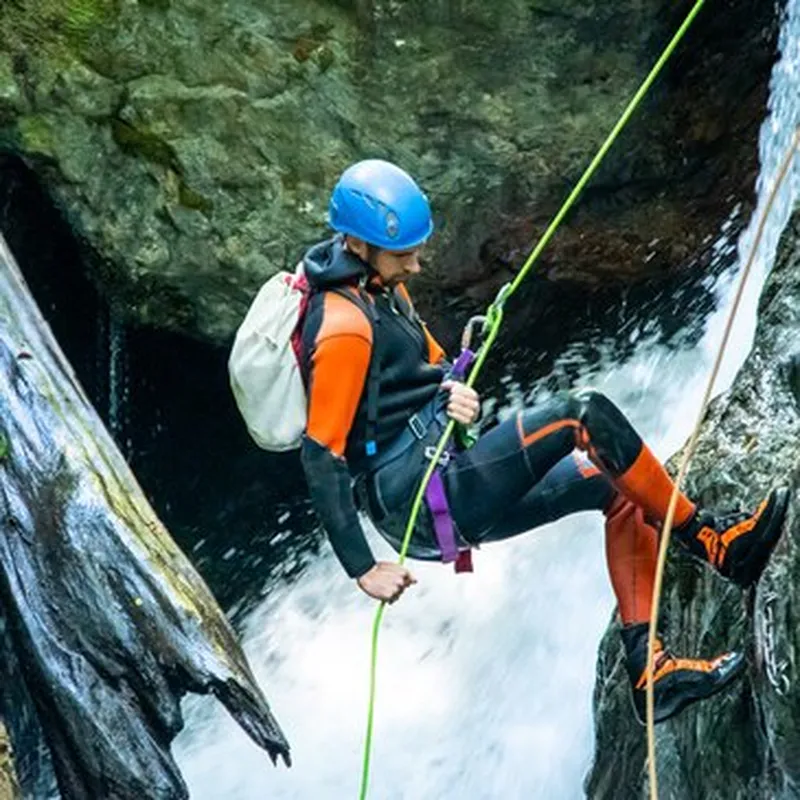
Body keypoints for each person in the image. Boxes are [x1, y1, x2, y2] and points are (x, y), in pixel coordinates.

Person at [298, 159, 789, 724]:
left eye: (417, 247)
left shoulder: (382, 289)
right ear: (359, 245)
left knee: (621, 488)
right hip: (420, 497)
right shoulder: (343, 327)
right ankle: (716, 543)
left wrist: (453, 392)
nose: (417, 261)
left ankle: (650, 670)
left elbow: (425, 369)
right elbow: (322, 455)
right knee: (583, 416)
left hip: (440, 464)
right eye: (404, 253)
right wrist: (363, 568)